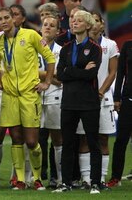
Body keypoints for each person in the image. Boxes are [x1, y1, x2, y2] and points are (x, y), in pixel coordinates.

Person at [0, 7, 55, 190]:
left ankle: (36, 178)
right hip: (10, 96)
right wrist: (3, 80)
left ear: (14, 19)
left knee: (32, 141)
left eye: (6, 18)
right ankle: (19, 180)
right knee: (16, 138)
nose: (3, 21)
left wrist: (47, 82)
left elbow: (50, 58)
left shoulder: (31, 35)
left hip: (29, 95)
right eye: (0, 19)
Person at [52, 10, 102, 194]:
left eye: (79, 21)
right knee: (68, 143)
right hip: (69, 102)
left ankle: (95, 182)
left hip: (89, 102)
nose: (74, 23)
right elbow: (61, 74)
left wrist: (71, 70)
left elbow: (91, 74)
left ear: (88, 26)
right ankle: (66, 183)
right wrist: (79, 69)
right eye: (73, 21)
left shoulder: (95, 48)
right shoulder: (66, 48)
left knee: (92, 141)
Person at [0, 4, 31, 188]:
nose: (10, 19)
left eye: (14, 15)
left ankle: (17, 176)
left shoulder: (29, 37)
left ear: (21, 19)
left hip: (22, 94)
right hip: (3, 93)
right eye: (6, 16)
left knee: (19, 136)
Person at [76, 11, 119, 189]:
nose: (94, 23)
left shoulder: (110, 44)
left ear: (102, 24)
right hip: (84, 97)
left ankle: (100, 178)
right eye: (91, 20)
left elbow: (112, 72)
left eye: (97, 20)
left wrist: (101, 91)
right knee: (85, 137)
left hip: (104, 98)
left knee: (102, 138)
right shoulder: (79, 44)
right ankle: (86, 179)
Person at [39, 15, 63, 188]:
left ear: (58, 31)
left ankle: (59, 178)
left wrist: (40, 74)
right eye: (45, 24)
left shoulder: (62, 51)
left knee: (57, 140)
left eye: (52, 25)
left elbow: (61, 78)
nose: (47, 27)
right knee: (33, 140)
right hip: (35, 97)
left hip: (55, 97)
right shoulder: (32, 48)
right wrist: (50, 75)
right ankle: (34, 177)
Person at [107, 40, 132, 187]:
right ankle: (115, 177)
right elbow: (120, 72)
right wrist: (117, 97)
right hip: (128, 98)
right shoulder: (128, 46)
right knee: (121, 139)